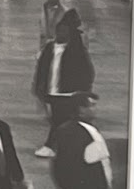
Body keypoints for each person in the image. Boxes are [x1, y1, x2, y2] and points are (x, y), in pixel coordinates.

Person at [50, 93, 115, 189]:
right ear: (80, 109)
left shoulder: (86, 129)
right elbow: (66, 166)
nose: (95, 109)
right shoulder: (72, 132)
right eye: (91, 105)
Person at [33, 9, 95, 157]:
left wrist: (84, 90)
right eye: (58, 31)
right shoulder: (50, 48)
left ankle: (50, 145)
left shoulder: (76, 51)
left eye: (63, 31)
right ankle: (67, 146)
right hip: (53, 92)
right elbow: (41, 69)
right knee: (60, 120)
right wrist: (39, 87)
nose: (59, 34)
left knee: (59, 120)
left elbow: (87, 72)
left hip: (68, 93)